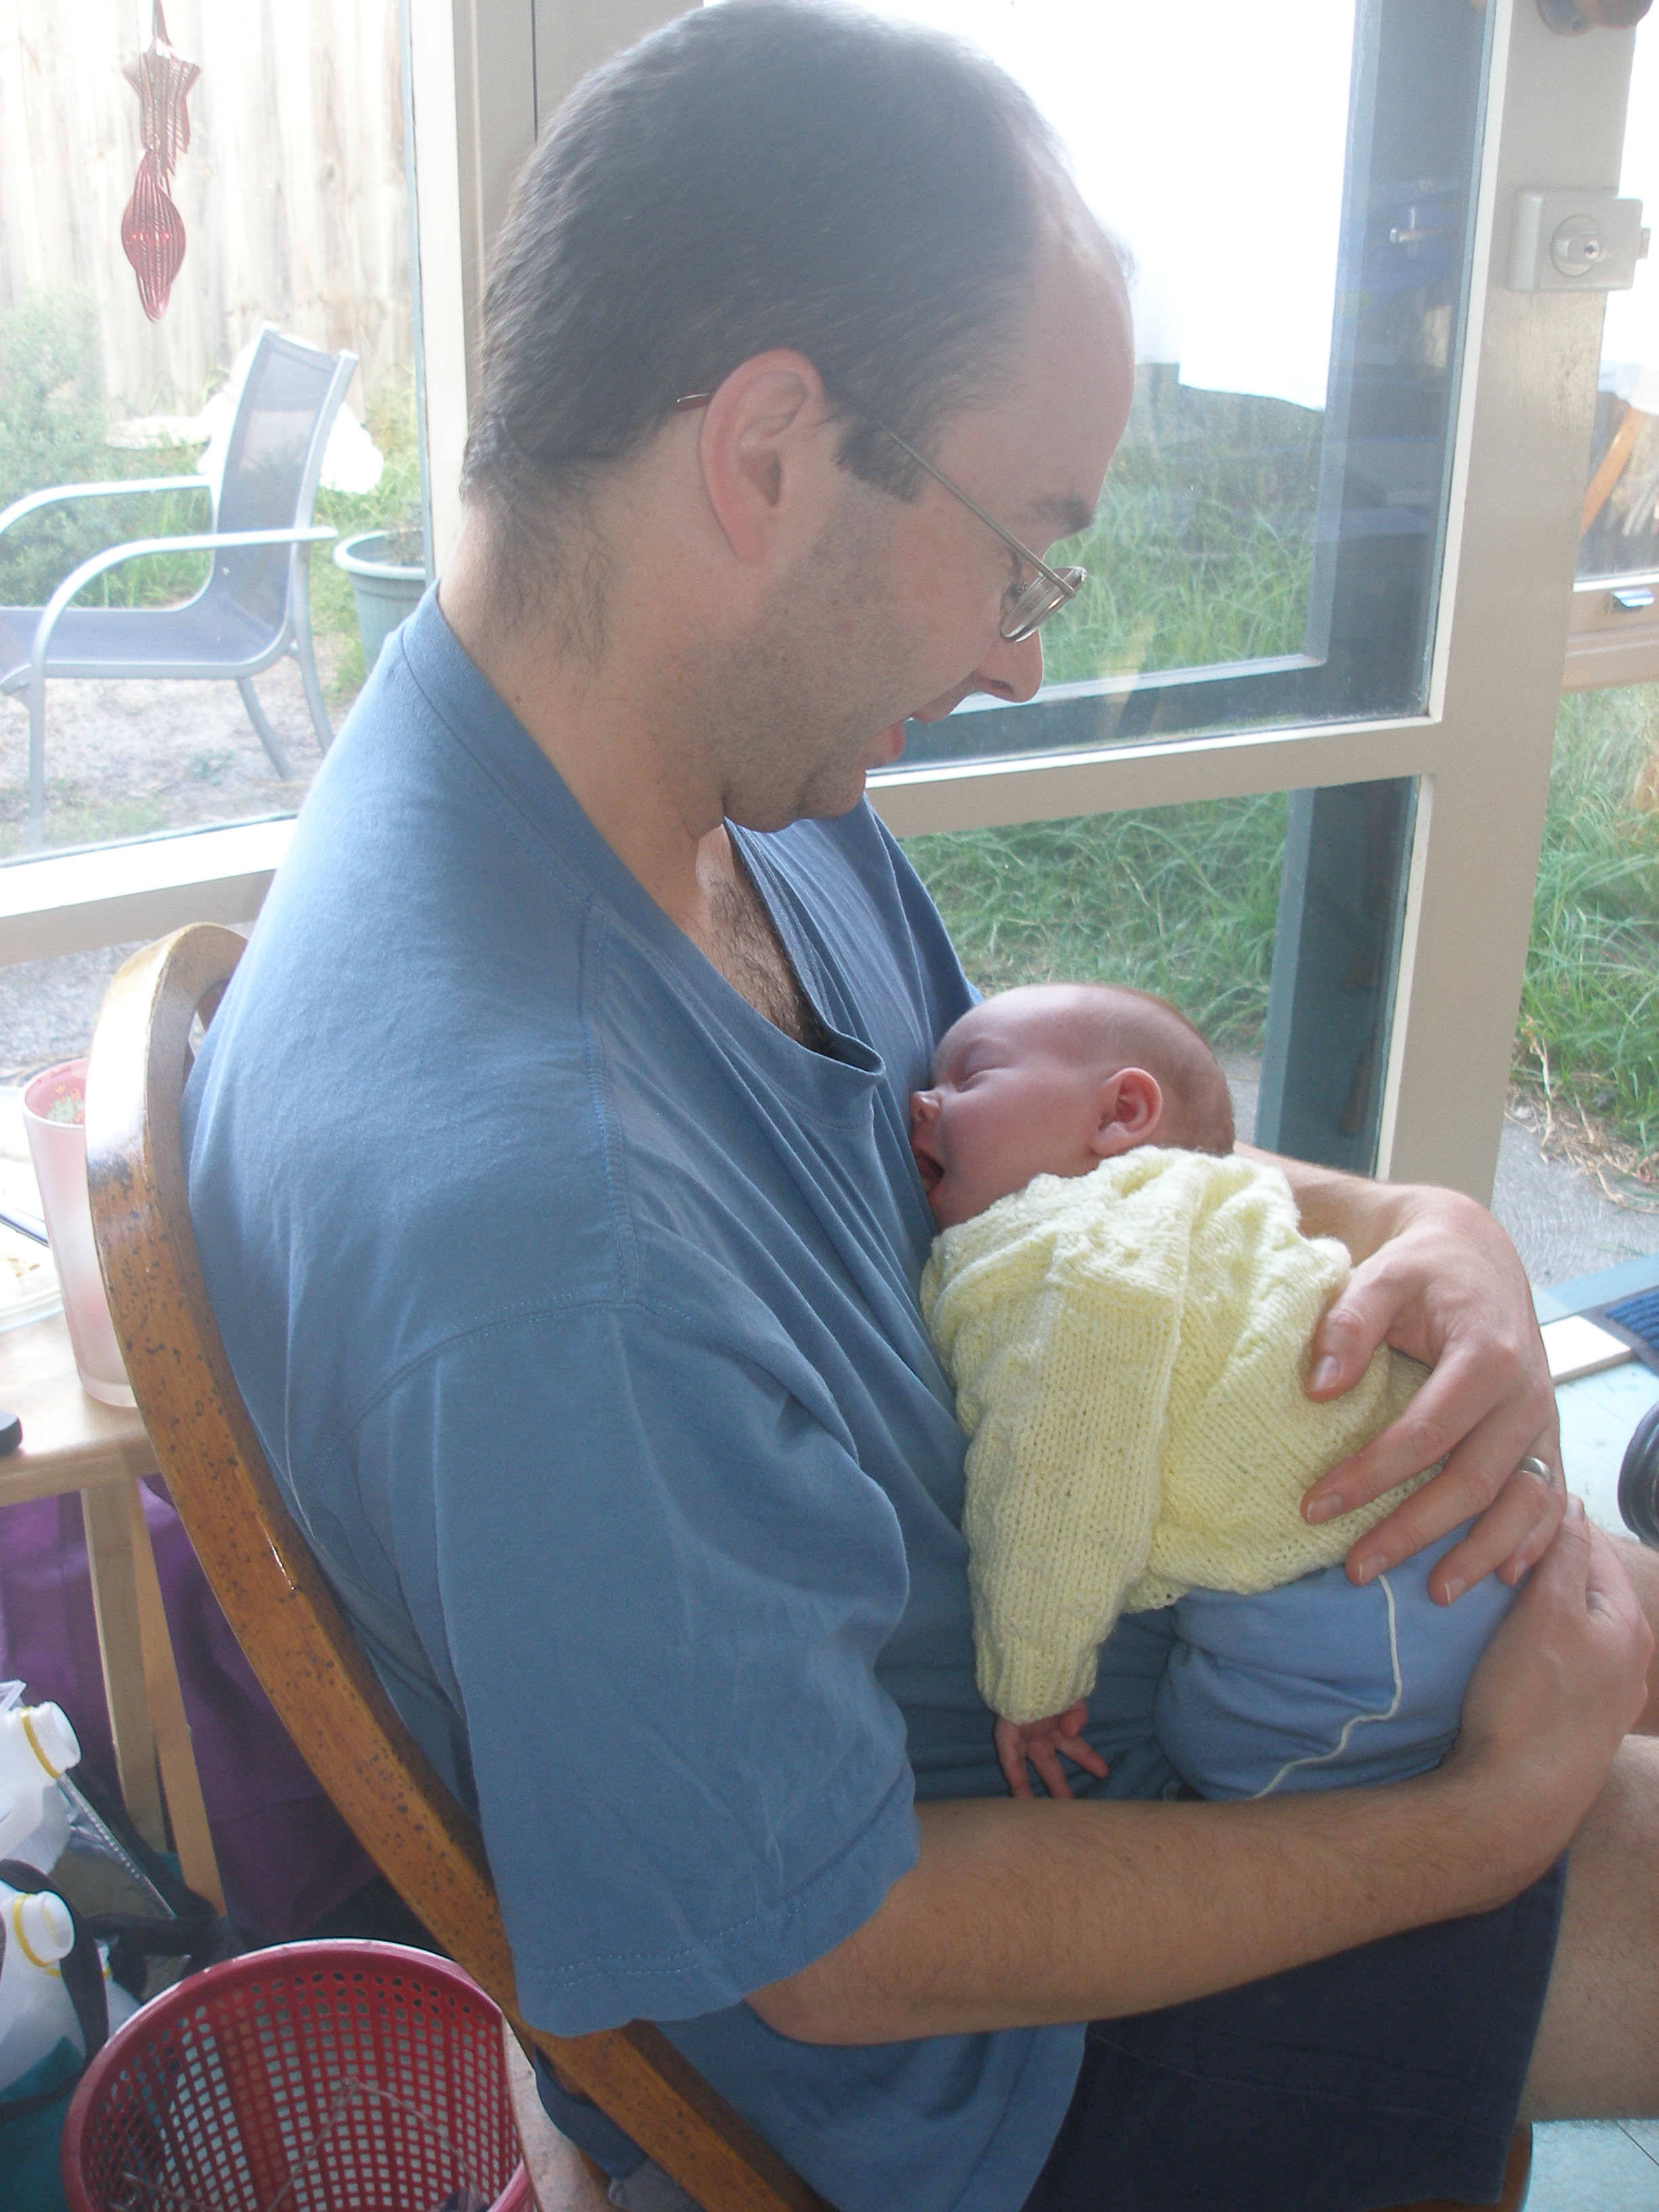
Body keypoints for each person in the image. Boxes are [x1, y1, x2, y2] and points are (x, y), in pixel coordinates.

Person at [181, 7, 1659, 2210]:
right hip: (1018, 2062)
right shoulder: (544, 1233)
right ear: (766, 451)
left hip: (1141, 1690)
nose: (1020, 655)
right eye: (1021, 545)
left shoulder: (710, 801)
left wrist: (1399, 1221)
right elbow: (835, 1953)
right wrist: (1477, 1827)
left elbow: (1043, 1186)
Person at [912, 981, 1514, 1804]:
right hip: (1450, 1514)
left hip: (1362, 1595)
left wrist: (1032, 1683)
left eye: (970, 1078)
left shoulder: (1076, 1265)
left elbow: (1057, 1484)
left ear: (1122, 1113)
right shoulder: (1207, 1199)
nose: (921, 1101)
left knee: (1221, 1756)